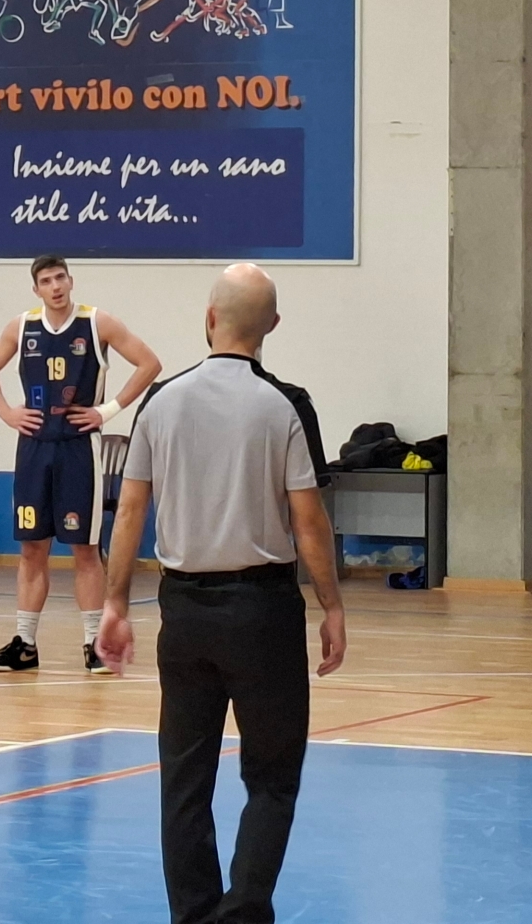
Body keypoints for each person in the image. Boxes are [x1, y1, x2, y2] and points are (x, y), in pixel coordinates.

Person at [96, 264, 343, 924]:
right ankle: (244, 913)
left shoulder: (160, 402)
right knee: (272, 777)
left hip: (183, 612)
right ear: (273, 327)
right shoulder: (285, 405)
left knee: (184, 779)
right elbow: (309, 520)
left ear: (209, 318)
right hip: (263, 612)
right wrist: (333, 605)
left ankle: (194, 916)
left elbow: (129, 512)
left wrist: (115, 604)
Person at [0, 254, 161, 674]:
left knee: (84, 549)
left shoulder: (97, 322)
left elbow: (149, 363)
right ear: (36, 289)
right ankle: (25, 644)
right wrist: (6, 412)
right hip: (33, 448)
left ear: (71, 281)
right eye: (46, 280)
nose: (55, 286)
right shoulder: (22, 326)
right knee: (31, 548)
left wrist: (107, 410)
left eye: (60, 278)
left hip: (79, 448)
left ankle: (94, 644)